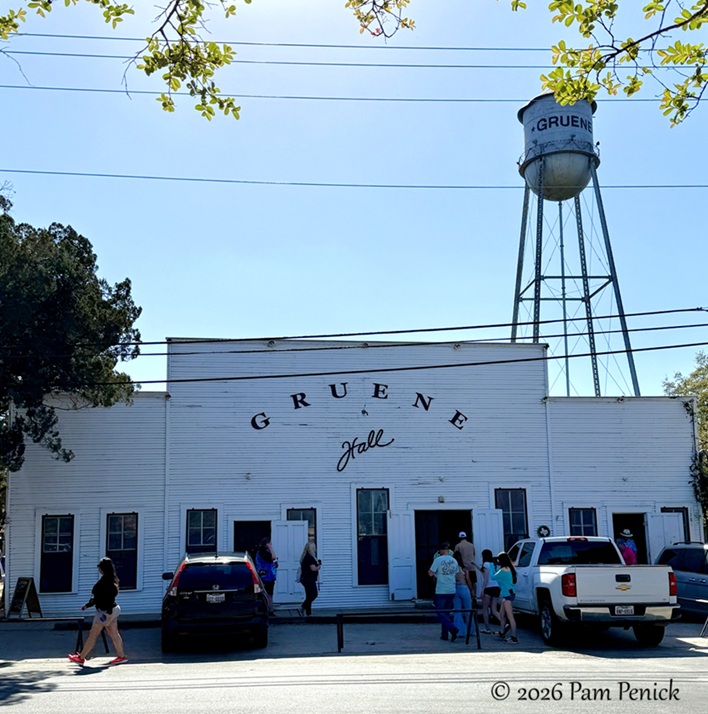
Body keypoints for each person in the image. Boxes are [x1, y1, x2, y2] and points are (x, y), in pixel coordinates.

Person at [68, 557, 127, 665]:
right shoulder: (113, 579)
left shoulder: (103, 583)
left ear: (102, 568)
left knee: (93, 634)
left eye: (99, 567)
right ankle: (121, 656)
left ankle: (81, 657)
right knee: (114, 634)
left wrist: (88, 605)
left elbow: (98, 598)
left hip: (104, 612)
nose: (98, 569)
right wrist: (88, 605)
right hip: (114, 609)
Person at [428, 541, 460, 642]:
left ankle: (452, 628)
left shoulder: (438, 560)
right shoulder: (454, 561)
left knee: (440, 612)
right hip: (451, 589)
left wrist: (433, 572)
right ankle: (444, 634)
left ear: (441, 550)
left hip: (441, 589)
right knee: (446, 612)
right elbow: (456, 573)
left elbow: (431, 573)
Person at [494, 551, 519, 645]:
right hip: (508, 593)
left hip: (507, 595)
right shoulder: (510, 568)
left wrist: (492, 568)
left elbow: (493, 577)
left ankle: (514, 637)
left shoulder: (503, 569)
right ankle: (502, 632)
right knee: (501, 613)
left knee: (510, 617)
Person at [452, 550, 474, 636]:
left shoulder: (452, 568)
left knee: (457, 610)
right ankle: (471, 630)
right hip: (464, 587)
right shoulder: (464, 568)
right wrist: (471, 590)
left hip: (455, 588)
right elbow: (468, 580)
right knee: (468, 610)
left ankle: (459, 631)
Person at [479, 548, 501, 634]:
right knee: (494, 609)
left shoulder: (485, 564)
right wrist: (476, 565)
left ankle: (487, 628)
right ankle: (505, 623)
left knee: (485, 609)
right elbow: (484, 572)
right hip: (496, 587)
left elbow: (486, 577)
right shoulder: (493, 564)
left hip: (489, 587)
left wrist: (483, 589)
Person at [299, 541, 321, 616]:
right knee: (314, 594)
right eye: (314, 547)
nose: (315, 549)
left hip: (305, 579)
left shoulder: (305, 557)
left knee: (309, 595)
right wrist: (318, 567)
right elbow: (313, 568)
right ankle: (303, 606)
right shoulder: (310, 557)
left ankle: (308, 613)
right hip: (309, 579)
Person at [255, 536, 278, 609]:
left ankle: (269, 608)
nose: (271, 544)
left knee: (270, 593)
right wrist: (271, 548)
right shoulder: (263, 552)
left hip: (269, 575)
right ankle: (268, 609)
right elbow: (272, 557)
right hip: (266, 576)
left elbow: (274, 561)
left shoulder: (264, 552)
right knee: (268, 593)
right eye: (270, 543)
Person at [454, 531, 478, 597]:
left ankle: (467, 596)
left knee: (465, 582)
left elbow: (456, 555)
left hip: (463, 567)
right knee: (473, 582)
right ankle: (474, 596)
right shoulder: (471, 545)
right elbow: (474, 553)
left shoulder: (458, 546)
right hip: (472, 566)